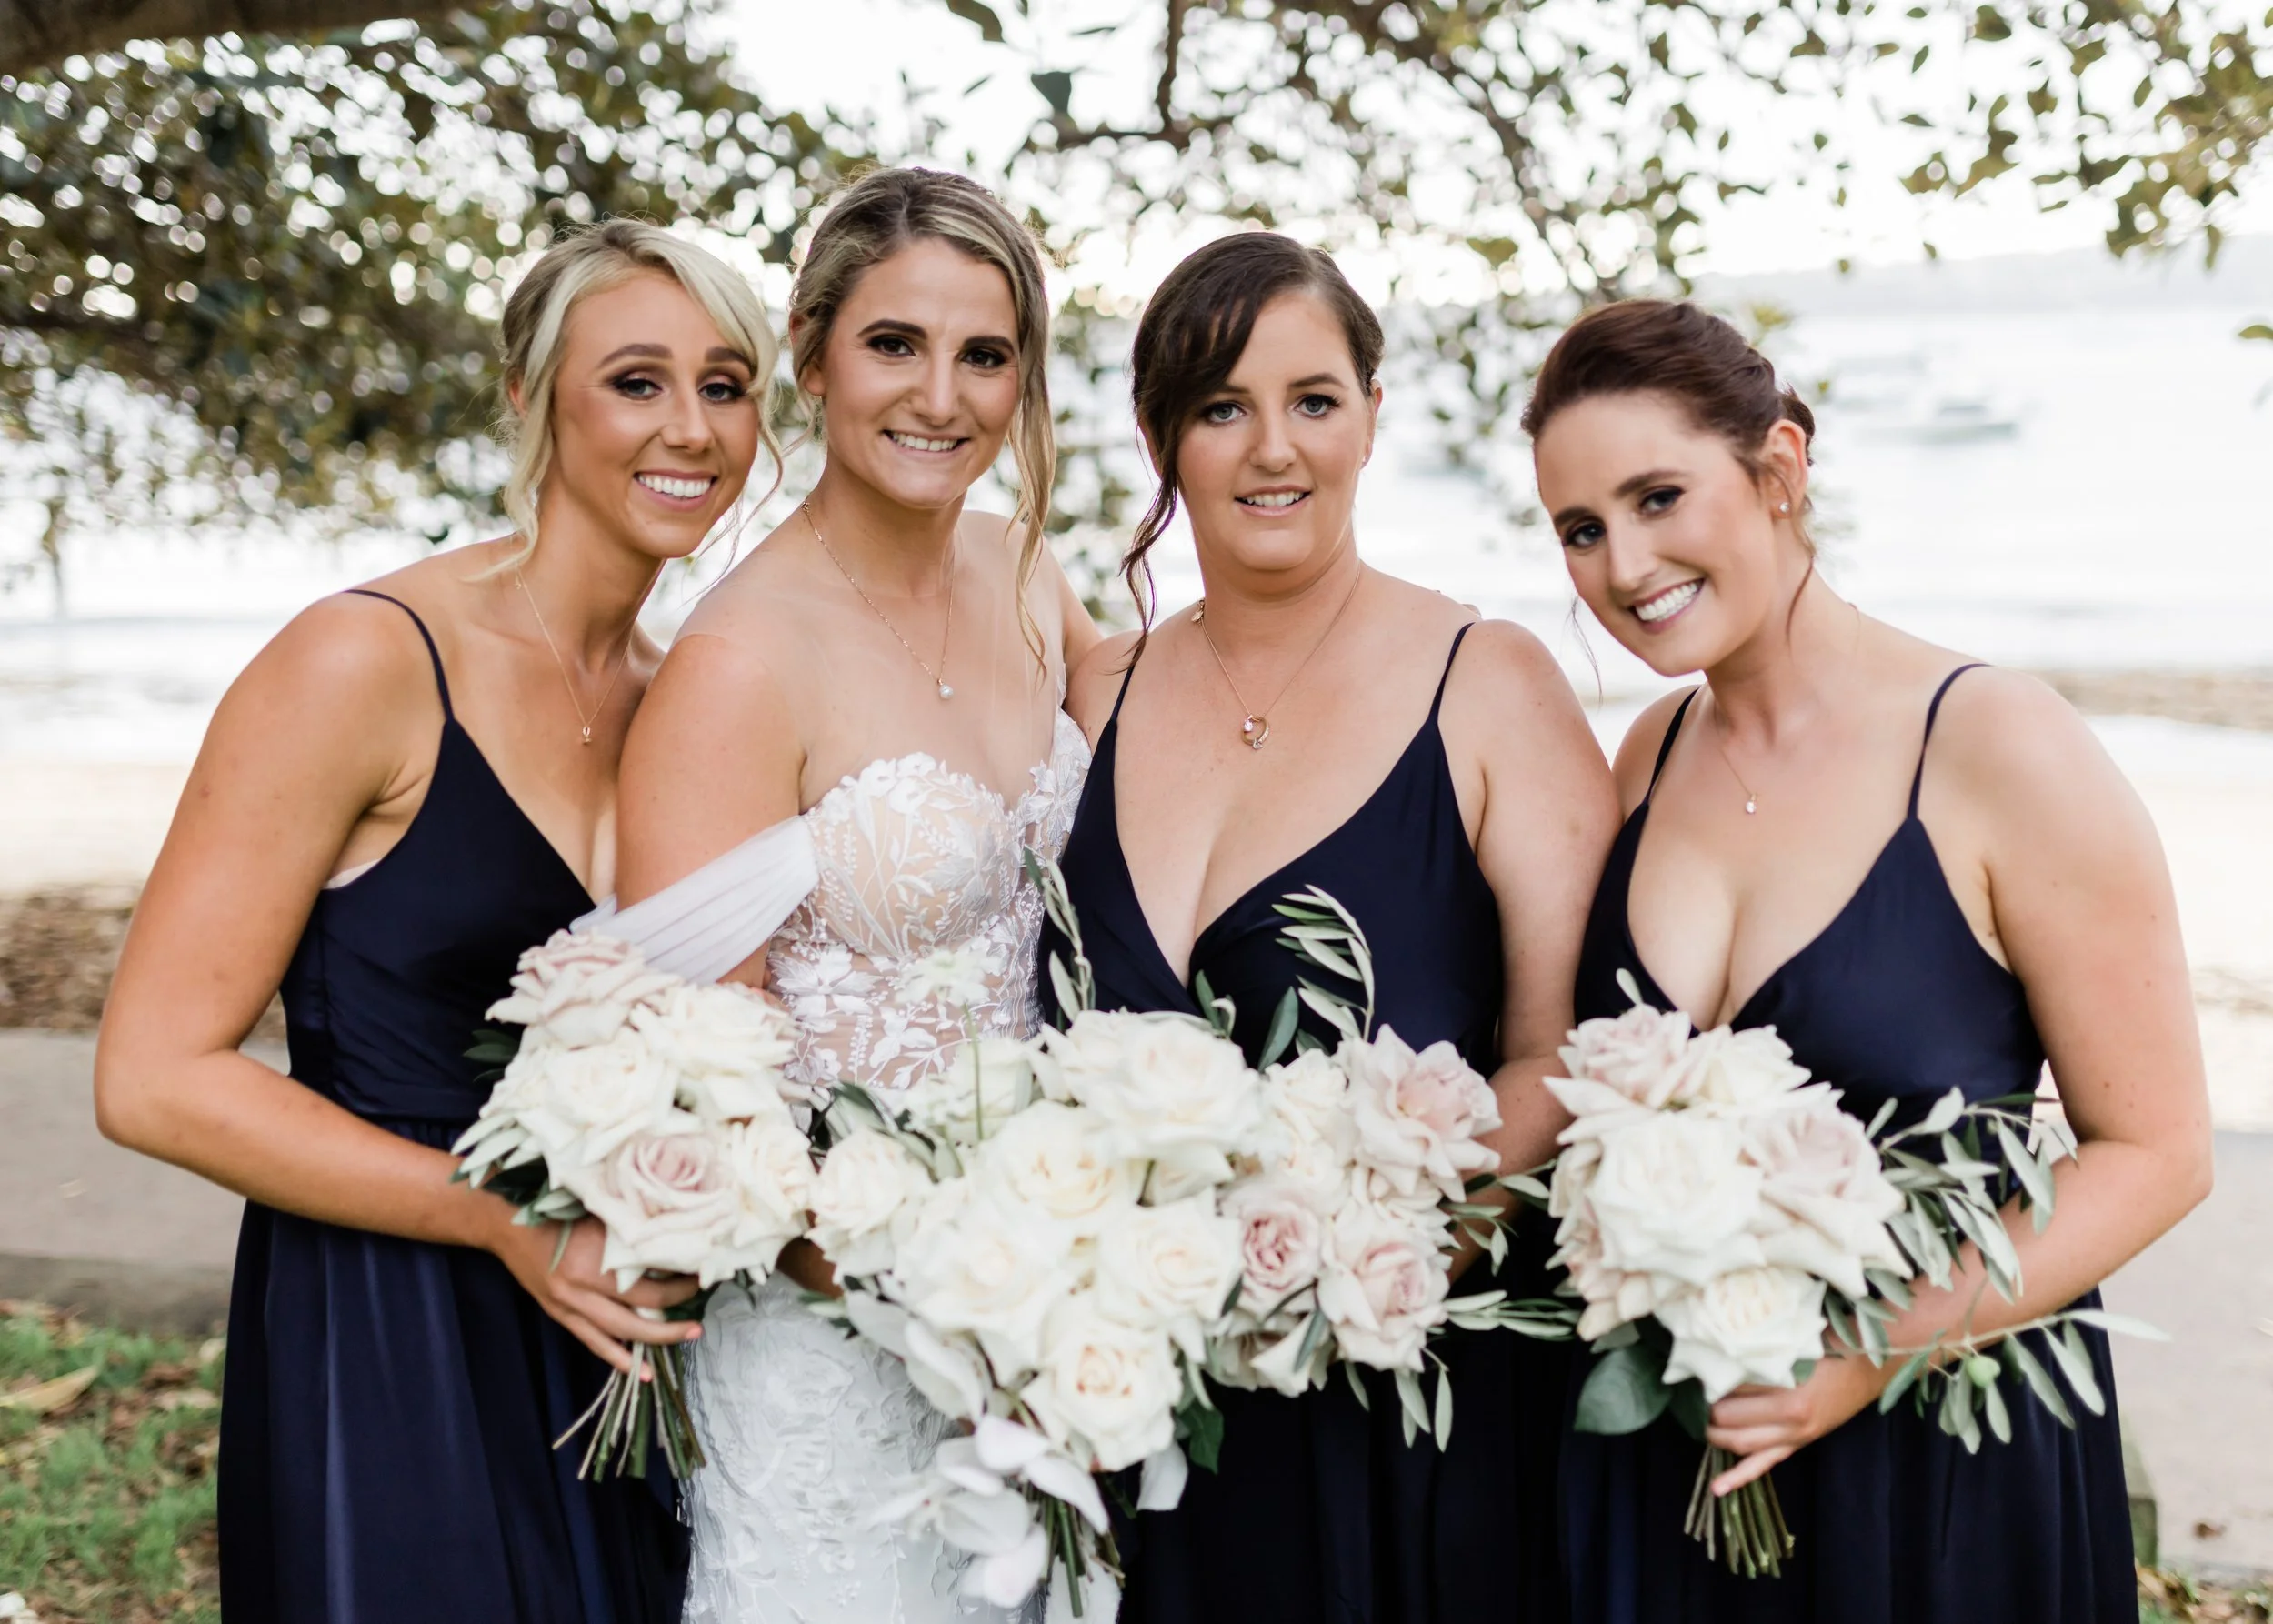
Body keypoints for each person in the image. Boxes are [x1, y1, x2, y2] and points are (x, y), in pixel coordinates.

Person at [92, 219, 780, 1622]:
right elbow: (152, 1077)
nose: (693, 427)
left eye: (727, 383)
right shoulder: (362, 662)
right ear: (529, 399)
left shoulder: (682, 699)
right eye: (637, 381)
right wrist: (494, 1221)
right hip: (385, 1322)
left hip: (611, 1337)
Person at [1531, 298, 2213, 1624]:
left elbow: (2160, 1149)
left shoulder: (1999, 746)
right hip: (1677, 1457)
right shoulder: (1647, 758)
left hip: (1936, 1466)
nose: (1624, 563)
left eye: (1659, 496)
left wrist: (1861, 1350)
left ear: (1779, 469)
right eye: (1580, 529)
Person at [1043, 231, 1619, 1623]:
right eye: (1220, 406)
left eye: (1312, 399)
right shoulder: (1093, 695)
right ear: (1159, 437)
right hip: (1136, 1417)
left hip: (1405, 1412)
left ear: (1372, 415)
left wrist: (1376, 1282)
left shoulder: (1487, 683)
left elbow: (1576, 1046)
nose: (1271, 449)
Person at [597, 165, 1098, 1623]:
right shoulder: (741, 656)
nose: (940, 394)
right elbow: (719, 1073)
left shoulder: (1026, 574)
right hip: (833, 1323)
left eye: (984, 354)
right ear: (811, 352)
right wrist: (948, 1307)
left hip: (1047, 1300)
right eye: (895, 345)